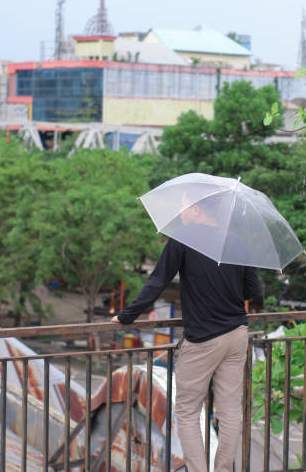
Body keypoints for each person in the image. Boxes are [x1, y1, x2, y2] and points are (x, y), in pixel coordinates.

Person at [111, 196, 261, 472]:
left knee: (188, 411)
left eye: (182, 207)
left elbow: (157, 281)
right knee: (230, 410)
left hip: (203, 340)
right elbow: (254, 292)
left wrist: (126, 316)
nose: (180, 214)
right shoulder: (236, 241)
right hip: (237, 335)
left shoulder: (184, 239)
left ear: (196, 209)